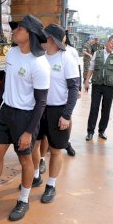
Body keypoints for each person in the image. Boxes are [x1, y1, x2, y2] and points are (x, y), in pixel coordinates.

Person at [0, 15, 50, 221]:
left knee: (24, 160)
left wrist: (29, 132)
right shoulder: (12, 53)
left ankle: (23, 200)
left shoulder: (40, 64)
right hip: (7, 112)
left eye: (18, 29)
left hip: (26, 116)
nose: (13, 32)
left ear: (28, 34)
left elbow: (41, 103)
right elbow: (6, 82)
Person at [30, 24, 79, 203]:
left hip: (57, 109)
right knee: (34, 145)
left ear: (52, 40)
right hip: (38, 108)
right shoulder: (40, 56)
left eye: (46, 37)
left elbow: (74, 89)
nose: (43, 39)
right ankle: (35, 176)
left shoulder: (66, 59)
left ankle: (51, 185)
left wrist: (66, 115)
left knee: (56, 149)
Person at [84, 34, 113, 140]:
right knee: (94, 108)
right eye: (112, 42)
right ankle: (90, 132)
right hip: (97, 84)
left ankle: (102, 131)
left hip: (109, 86)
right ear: (107, 42)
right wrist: (87, 81)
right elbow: (91, 68)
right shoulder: (97, 53)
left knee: (106, 109)